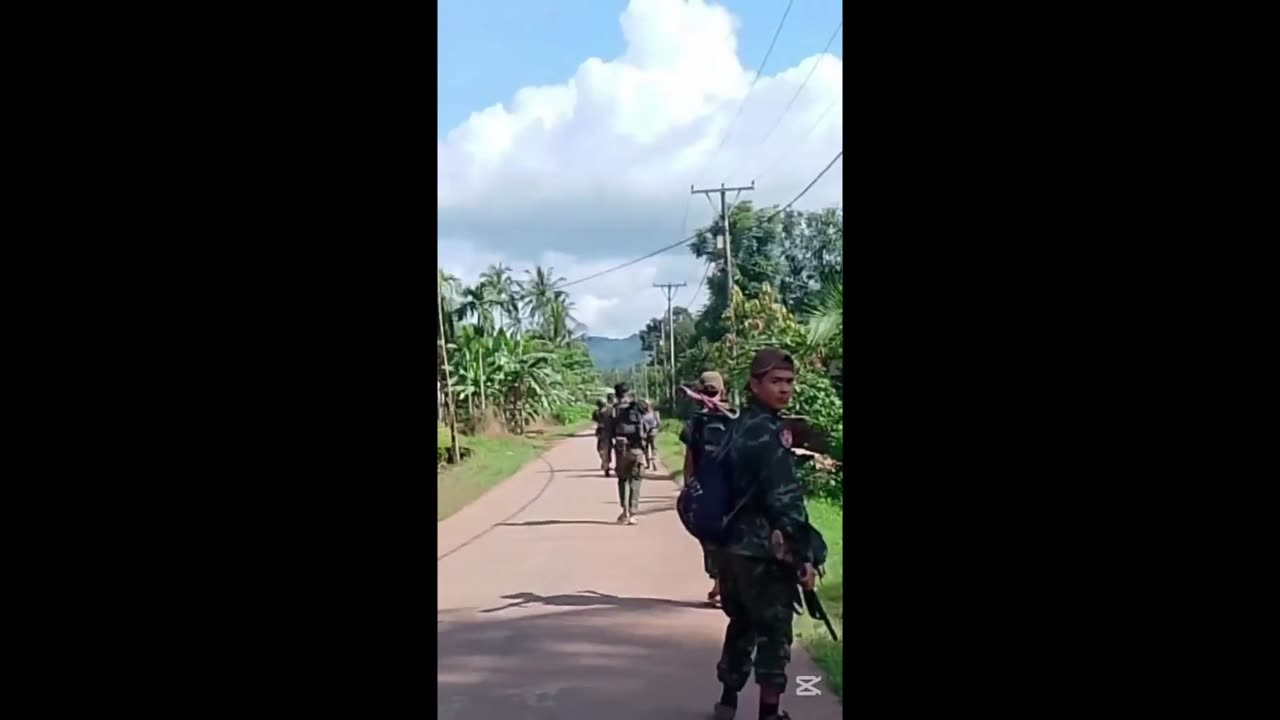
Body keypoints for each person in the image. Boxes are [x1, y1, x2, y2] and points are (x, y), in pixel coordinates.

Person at [711, 348, 815, 720]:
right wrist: (804, 554)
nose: (785, 389)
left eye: (789, 382)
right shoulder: (770, 433)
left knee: (741, 623)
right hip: (763, 551)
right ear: (755, 385)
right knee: (774, 633)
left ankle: (727, 702)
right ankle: (769, 714)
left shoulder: (736, 426)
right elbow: (784, 499)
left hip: (730, 548)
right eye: (775, 382)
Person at [679, 371, 733, 605]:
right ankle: (724, 582)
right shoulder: (737, 418)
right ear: (724, 391)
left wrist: (689, 487)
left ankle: (719, 581)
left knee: (708, 536)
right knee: (731, 535)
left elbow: (689, 459)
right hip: (735, 488)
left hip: (706, 488)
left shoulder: (696, 421)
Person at [606, 382, 646, 525]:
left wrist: (606, 459)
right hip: (637, 449)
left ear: (616, 395)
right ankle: (633, 513)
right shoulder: (637, 408)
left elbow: (608, 435)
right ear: (629, 393)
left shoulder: (613, 411)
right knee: (635, 480)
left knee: (623, 480)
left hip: (621, 449)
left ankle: (625, 512)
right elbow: (647, 427)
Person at [592, 398, 612, 476]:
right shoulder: (610, 411)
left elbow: (595, 420)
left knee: (601, 449)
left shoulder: (597, 412)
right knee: (606, 449)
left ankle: (605, 464)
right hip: (607, 433)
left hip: (603, 433)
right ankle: (606, 463)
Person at [639, 399, 660, 470]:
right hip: (653, 432)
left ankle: (648, 464)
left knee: (646, 448)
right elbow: (659, 423)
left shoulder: (642, 414)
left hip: (645, 433)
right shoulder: (655, 413)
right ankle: (654, 463)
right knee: (654, 448)